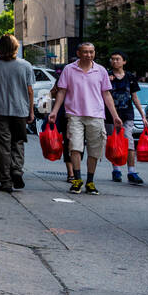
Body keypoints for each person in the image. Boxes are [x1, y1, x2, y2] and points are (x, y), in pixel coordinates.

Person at [49, 42, 124, 195]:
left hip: (96, 115)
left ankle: (90, 181)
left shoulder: (101, 70)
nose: (88, 55)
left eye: (91, 52)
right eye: (85, 52)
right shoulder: (69, 69)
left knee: (94, 150)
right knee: (75, 147)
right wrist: (55, 111)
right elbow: (61, 92)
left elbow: (107, 95)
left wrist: (115, 116)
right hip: (74, 114)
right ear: (78, 53)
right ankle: (77, 179)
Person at [0, 34, 35, 193]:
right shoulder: (26, 65)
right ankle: (17, 169)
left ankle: (5, 180)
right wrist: (31, 111)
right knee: (18, 142)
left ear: (0, 48)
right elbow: (30, 91)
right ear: (16, 47)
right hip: (20, 111)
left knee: (1, 146)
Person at [107, 51, 147, 184]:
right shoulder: (107, 75)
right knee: (114, 143)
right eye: (112, 59)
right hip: (111, 115)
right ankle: (116, 170)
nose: (114, 62)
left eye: (118, 59)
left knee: (129, 143)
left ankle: (131, 171)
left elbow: (134, 97)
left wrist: (142, 115)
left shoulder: (130, 77)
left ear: (124, 61)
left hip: (127, 114)